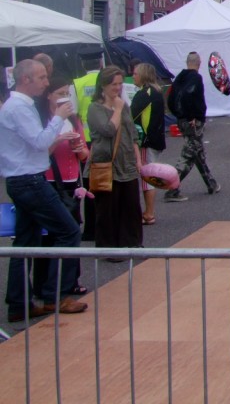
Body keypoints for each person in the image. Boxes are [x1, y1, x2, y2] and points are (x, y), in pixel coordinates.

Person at [1, 59, 86, 320]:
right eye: (41, 78)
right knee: (69, 231)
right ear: (25, 79)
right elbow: (39, 142)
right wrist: (58, 119)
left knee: (26, 242)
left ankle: (19, 304)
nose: (46, 82)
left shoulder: (15, 106)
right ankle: (56, 296)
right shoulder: (19, 107)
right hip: (30, 179)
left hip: (23, 178)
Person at [33, 78, 89, 299]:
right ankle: (45, 285)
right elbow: (38, 152)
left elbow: (85, 154)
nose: (64, 97)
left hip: (72, 181)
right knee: (51, 234)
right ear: (48, 95)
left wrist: (80, 149)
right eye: (59, 93)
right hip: (49, 180)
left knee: (73, 229)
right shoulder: (43, 119)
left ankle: (71, 280)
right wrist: (57, 141)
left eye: (67, 92)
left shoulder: (74, 119)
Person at [86, 66, 143, 258]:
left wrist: (138, 160)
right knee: (108, 208)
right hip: (106, 162)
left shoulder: (123, 105)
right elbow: (108, 130)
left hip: (126, 160)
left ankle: (132, 244)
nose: (118, 88)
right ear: (103, 85)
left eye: (120, 84)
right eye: (114, 84)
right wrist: (117, 109)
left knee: (131, 205)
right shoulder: (95, 108)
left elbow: (132, 133)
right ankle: (109, 248)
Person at [166, 52, 220, 200]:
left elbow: (170, 98)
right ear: (199, 63)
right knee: (189, 153)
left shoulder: (179, 78)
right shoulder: (195, 78)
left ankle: (210, 182)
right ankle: (172, 187)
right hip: (193, 121)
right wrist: (192, 116)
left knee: (196, 150)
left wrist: (178, 114)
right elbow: (189, 95)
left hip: (182, 119)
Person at [130, 63, 166, 225]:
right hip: (156, 138)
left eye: (136, 73)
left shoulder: (144, 94)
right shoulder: (157, 91)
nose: (133, 76)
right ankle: (149, 211)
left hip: (146, 140)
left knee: (146, 176)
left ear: (143, 75)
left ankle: (149, 212)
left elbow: (131, 115)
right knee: (149, 174)